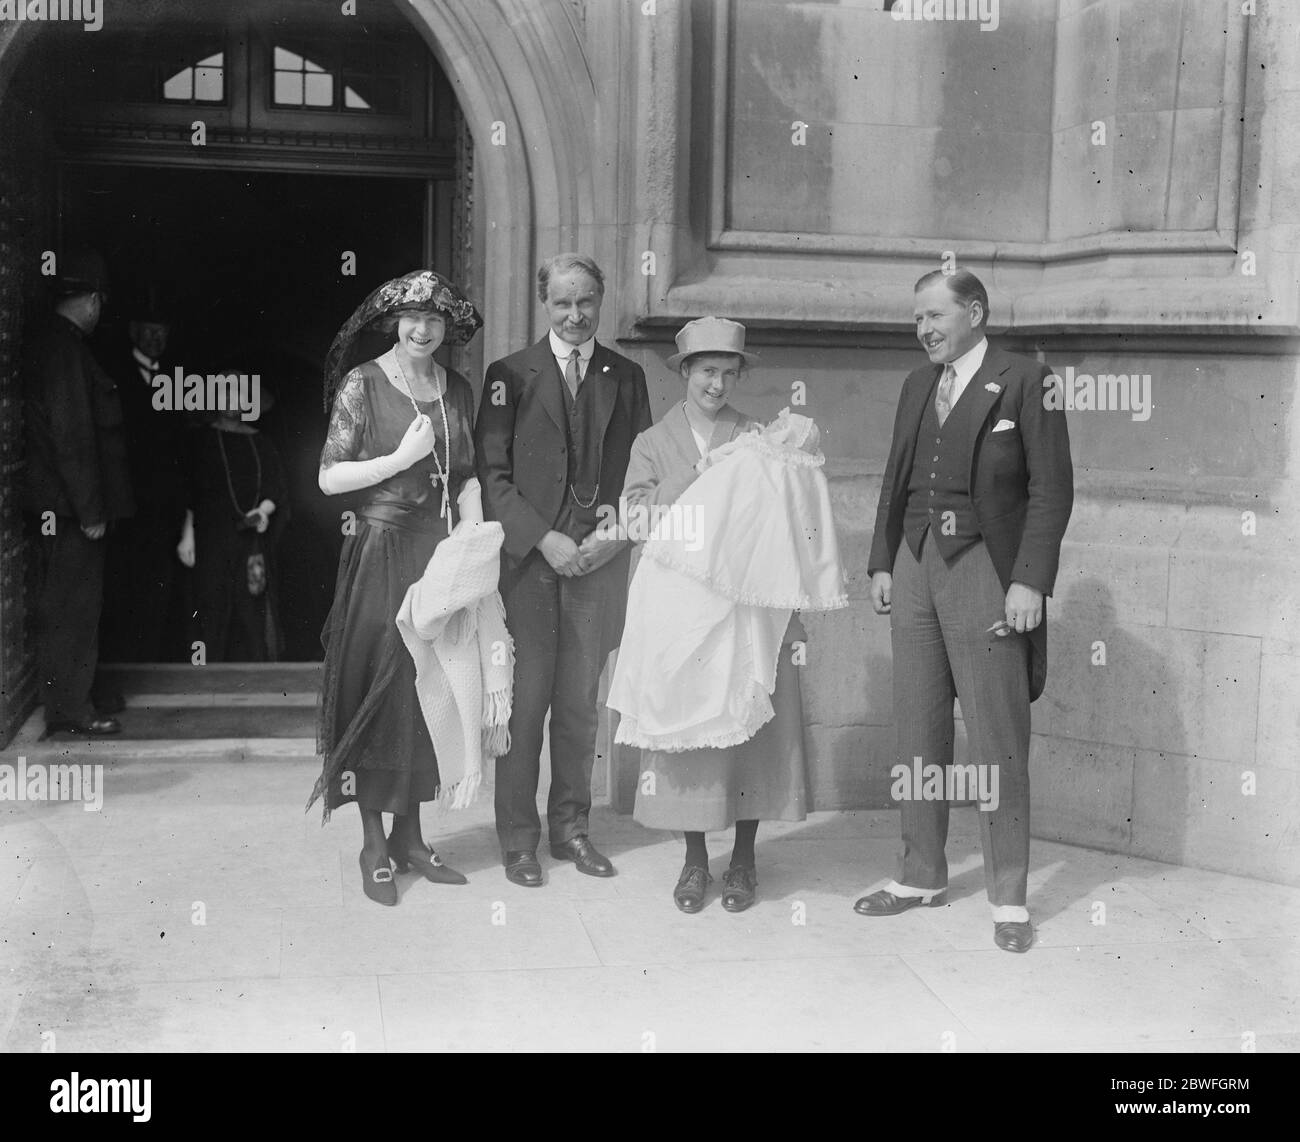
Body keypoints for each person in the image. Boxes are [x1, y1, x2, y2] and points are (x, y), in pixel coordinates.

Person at [858, 268, 1073, 953]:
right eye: (916, 318)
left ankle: (1009, 897)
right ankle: (921, 872)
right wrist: (883, 559)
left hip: (987, 569)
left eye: (934, 316)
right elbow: (896, 476)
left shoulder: (1025, 379)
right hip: (918, 563)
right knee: (917, 728)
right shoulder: (918, 384)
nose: (923, 329)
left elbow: (1051, 491)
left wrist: (1030, 581)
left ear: (974, 312)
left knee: (996, 735)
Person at [618, 317, 811, 913]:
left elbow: (781, 519)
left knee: (750, 730)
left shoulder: (754, 433)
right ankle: (696, 859)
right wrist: (695, 473)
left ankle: (746, 859)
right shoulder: (652, 442)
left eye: (729, 373)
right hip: (677, 609)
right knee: (689, 733)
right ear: (684, 373)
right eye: (707, 371)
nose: (718, 384)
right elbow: (632, 520)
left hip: (743, 604)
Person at [474, 253, 652, 887]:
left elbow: (640, 475)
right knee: (525, 705)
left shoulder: (625, 376)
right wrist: (541, 538)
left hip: (597, 564)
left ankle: (572, 830)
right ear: (543, 306)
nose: (575, 316)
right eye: (562, 304)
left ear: (601, 302)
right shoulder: (508, 375)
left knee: (579, 704)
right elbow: (491, 477)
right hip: (529, 565)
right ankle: (519, 840)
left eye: (586, 303)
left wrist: (612, 538)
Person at [307, 269, 484, 907]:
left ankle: (412, 837)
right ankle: (373, 843)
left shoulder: (457, 389)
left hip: (435, 554)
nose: (422, 329)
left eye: (435, 321)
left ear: (448, 330)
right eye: (412, 317)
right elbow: (329, 477)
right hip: (380, 547)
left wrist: (470, 540)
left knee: (425, 687)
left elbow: (465, 475)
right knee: (378, 686)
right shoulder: (364, 383)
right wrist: (397, 461)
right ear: (392, 321)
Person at [22, 249, 134, 736]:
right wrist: (90, 509)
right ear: (91, 301)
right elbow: (72, 438)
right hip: (70, 509)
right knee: (73, 607)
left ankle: (78, 695)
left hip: (66, 506)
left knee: (77, 604)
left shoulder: (59, 346)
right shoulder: (65, 350)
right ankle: (71, 708)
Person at [100, 289, 185, 663]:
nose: (156, 338)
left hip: (163, 507)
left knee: (160, 589)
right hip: (126, 505)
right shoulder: (111, 374)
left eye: (162, 331)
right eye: (149, 330)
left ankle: (153, 662)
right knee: (124, 587)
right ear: (134, 332)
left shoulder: (176, 378)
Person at [177, 390, 289, 662]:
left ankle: (259, 680)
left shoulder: (260, 441)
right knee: (211, 602)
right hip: (209, 535)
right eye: (225, 395)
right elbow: (191, 490)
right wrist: (187, 535)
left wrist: (263, 511)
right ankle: (207, 675)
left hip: (250, 536)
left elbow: (276, 486)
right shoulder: (200, 439)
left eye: (239, 395)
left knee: (252, 604)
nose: (232, 402)